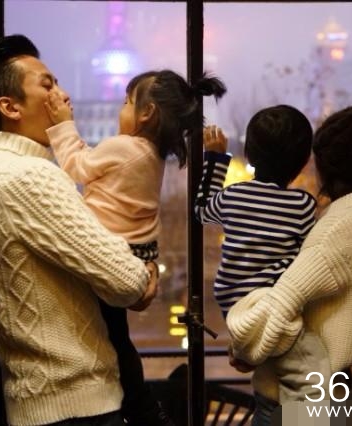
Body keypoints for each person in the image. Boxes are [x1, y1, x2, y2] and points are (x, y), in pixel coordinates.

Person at [0, 34, 158, 426]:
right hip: (76, 405)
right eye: (47, 85)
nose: (63, 96)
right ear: (10, 106)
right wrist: (146, 273)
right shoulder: (27, 176)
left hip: (46, 402)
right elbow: (126, 281)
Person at [44, 69, 226, 426]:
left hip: (111, 253)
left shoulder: (124, 147)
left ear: (147, 113)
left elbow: (76, 166)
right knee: (116, 337)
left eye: (127, 102)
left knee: (105, 337)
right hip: (137, 255)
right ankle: (141, 407)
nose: (121, 109)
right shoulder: (152, 155)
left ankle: (139, 408)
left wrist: (63, 124)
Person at [225, 88, 352, 425]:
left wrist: (243, 347)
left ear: (323, 164)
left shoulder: (345, 224)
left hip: (300, 401)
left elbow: (283, 300)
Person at [194, 106, 329, 407]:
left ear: (250, 156)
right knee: (312, 367)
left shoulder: (234, 196)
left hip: (232, 302)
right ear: (303, 162)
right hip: (272, 301)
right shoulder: (302, 206)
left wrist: (215, 158)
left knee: (261, 349)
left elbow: (201, 211)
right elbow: (310, 257)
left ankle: (247, 350)